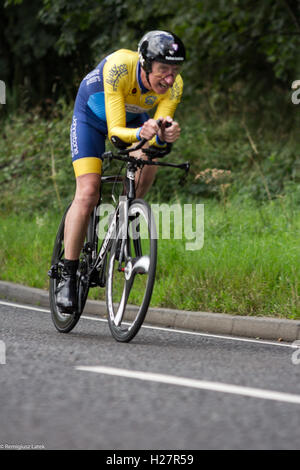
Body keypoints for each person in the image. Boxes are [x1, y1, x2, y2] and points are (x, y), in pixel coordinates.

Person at [56, 30, 186, 313]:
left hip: (134, 120)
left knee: (149, 160)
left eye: (174, 70)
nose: (169, 78)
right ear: (144, 64)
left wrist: (166, 136)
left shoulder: (174, 87)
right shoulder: (119, 67)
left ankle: (122, 218)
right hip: (93, 118)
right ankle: (67, 274)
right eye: (163, 69)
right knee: (89, 191)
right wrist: (142, 131)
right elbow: (116, 134)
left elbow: (158, 144)